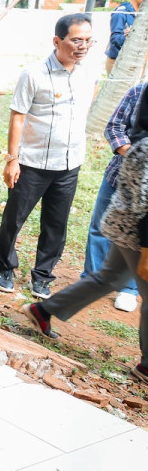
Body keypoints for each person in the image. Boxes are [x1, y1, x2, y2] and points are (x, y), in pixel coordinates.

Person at [22, 84, 148, 381]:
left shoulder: (142, 145)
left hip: (124, 226)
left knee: (110, 277)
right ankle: (147, 366)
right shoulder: (146, 150)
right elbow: (145, 206)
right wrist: (146, 251)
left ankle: (44, 311)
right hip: (136, 233)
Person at [0, 14, 96, 300]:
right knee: (15, 218)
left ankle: (42, 276)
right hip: (32, 163)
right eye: (76, 40)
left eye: (88, 40)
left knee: (56, 224)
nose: (83, 46)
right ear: (57, 41)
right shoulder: (34, 74)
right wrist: (12, 159)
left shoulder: (88, 73)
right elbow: (17, 117)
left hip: (69, 163)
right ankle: (3, 267)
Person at [85, 82, 145, 312]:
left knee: (137, 238)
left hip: (145, 187)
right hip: (117, 175)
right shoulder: (138, 92)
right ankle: (92, 278)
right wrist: (132, 154)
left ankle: (128, 289)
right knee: (99, 227)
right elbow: (114, 127)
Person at [105, 0, 147, 74]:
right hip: (118, 61)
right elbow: (115, 39)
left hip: (137, 62)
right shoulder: (121, 12)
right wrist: (129, 34)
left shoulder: (143, 15)